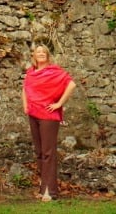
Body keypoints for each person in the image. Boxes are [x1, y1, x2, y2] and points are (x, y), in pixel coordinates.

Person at [22, 44, 76, 202]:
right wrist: (25, 105)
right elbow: (25, 89)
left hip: (48, 115)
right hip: (33, 114)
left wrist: (59, 104)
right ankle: (43, 186)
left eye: (43, 52)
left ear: (47, 55)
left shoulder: (54, 71)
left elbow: (71, 84)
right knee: (39, 152)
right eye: (38, 52)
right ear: (34, 55)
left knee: (48, 152)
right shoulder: (31, 72)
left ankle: (49, 191)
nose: (40, 54)